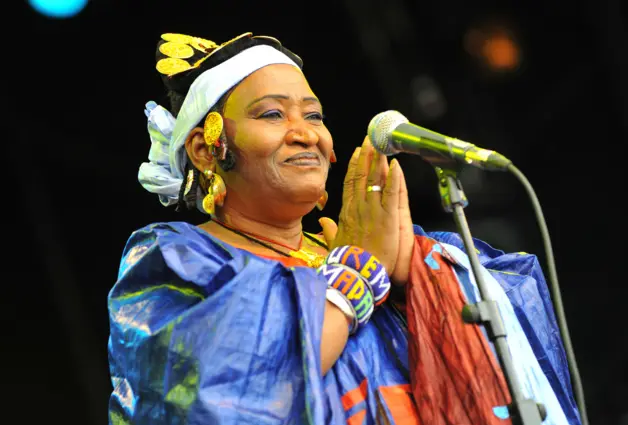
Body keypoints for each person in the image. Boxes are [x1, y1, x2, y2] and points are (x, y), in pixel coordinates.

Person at [107, 32, 581, 425]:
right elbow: (222, 385)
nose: (306, 132)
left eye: (313, 115)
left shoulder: (368, 255)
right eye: (272, 114)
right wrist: (354, 277)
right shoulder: (176, 259)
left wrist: (414, 277)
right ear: (206, 150)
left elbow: (515, 333)